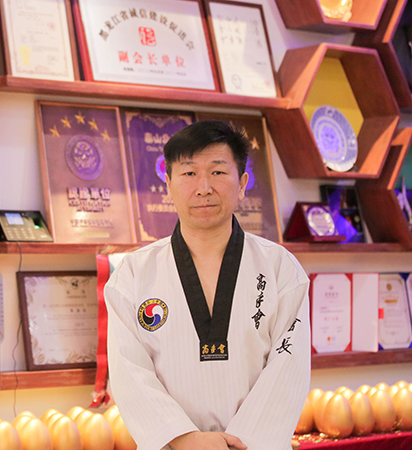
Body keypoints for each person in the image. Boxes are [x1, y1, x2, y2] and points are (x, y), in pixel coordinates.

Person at [104, 120, 310, 450]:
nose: (203, 188)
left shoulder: (280, 269)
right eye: (188, 173)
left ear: (242, 184)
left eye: (218, 172)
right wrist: (185, 439)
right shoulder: (133, 274)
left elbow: (289, 367)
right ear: (168, 184)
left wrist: (240, 444)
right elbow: (129, 372)